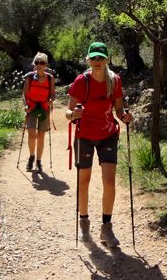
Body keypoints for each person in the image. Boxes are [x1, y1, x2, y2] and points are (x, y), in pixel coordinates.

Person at [66, 42, 133, 246]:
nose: (97, 62)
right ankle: (84, 223)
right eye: (93, 58)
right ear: (88, 59)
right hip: (84, 135)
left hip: (108, 135)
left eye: (101, 58)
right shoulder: (80, 81)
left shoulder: (115, 81)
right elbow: (68, 114)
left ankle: (106, 228)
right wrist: (74, 114)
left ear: (107, 60)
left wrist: (125, 116)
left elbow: (119, 110)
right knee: (83, 182)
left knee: (109, 182)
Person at [22, 52, 56, 173]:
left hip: (44, 109)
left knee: (41, 136)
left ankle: (38, 161)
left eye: (42, 63)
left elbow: (53, 94)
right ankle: (31, 157)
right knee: (32, 135)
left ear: (46, 64)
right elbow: (25, 94)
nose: (39, 65)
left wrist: (51, 101)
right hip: (31, 109)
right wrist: (25, 105)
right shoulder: (29, 77)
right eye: (37, 62)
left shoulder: (50, 78)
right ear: (34, 64)